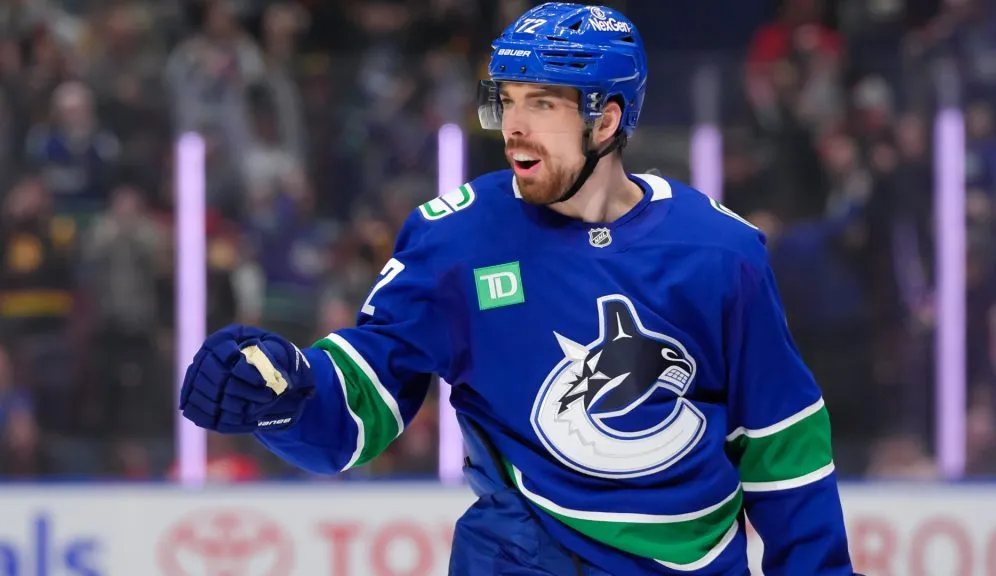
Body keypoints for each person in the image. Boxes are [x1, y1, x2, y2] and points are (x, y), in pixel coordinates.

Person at [178, 3, 859, 574]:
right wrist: (287, 394)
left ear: (607, 120)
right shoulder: (456, 240)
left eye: (542, 103)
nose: (514, 127)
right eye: (506, 100)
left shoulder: (719, 251)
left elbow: (780, 445)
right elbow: (364, 403)